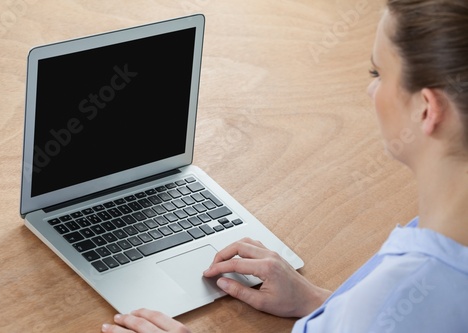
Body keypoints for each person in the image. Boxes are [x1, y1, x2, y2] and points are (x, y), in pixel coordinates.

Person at [101, 0, 468, 332]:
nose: (371, 91)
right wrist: (323, 304)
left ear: (426, 109)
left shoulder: (396, 295)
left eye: (378, 74)